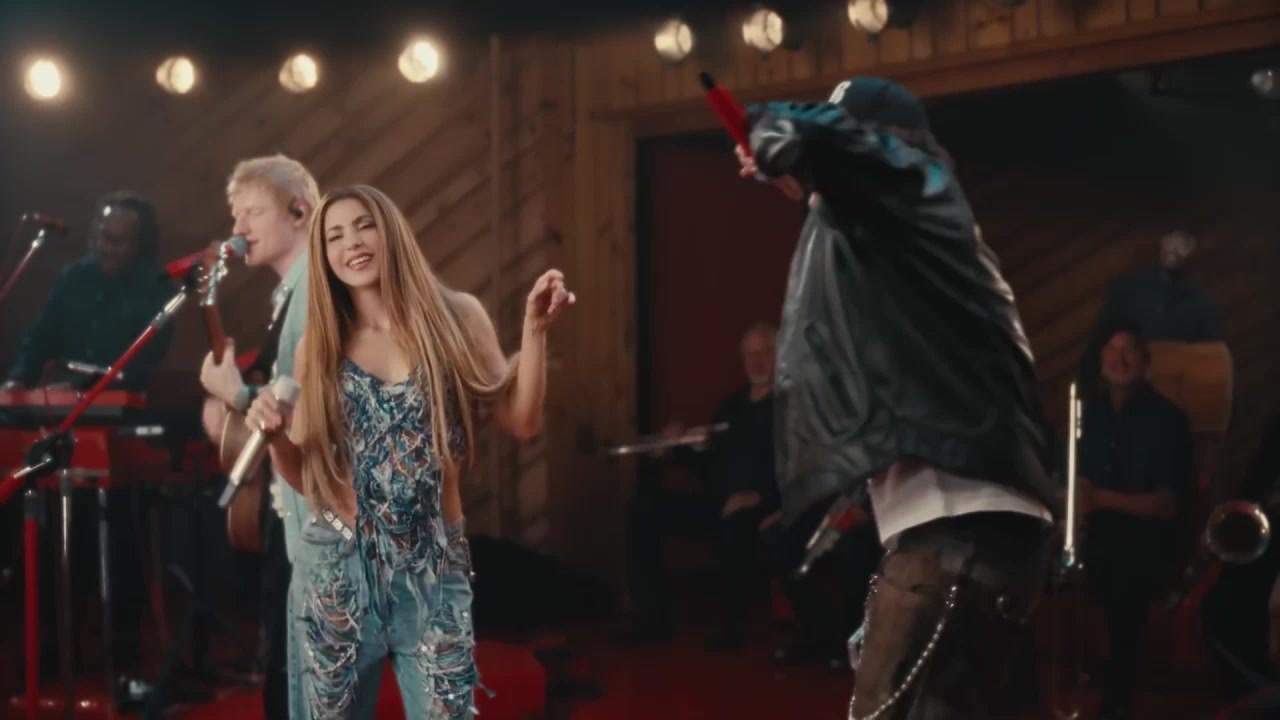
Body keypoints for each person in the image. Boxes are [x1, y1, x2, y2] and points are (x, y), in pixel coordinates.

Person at [736, 77, 1057, 718]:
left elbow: (855, 158)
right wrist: (806, 179)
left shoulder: (912, 186)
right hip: (982, 534)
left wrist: (779, 131)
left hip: (955, 531)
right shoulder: (918, 230)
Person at [245, 185, 573, 719]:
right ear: (324, 256)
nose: (352, 242)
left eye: (363, 225)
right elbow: (309, 480)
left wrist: (534, 331)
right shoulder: (319, 346)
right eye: (334, 236)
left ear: (391, 231)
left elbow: (522, 421)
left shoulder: (457, 317)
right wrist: (275, 436)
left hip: (434, 572)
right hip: (338, 571)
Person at [198, 153, 319, 720]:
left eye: (253, 213)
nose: (238, 228)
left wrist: (237, 396)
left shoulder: (314, 291)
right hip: (292, 506)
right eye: (235, 215)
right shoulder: (288, 294)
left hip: (312, 517)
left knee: (296, 680)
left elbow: (305, 409)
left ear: (299, 211)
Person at [620, 322, 781, 650]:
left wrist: (760, 496)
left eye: (764, 353)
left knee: (735, 527)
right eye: (749, 354)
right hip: (718, 501)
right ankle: (651, 617)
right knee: (643, 508)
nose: (756, 362)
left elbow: (800, 467)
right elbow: (710, 464)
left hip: (763, 506)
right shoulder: (732, 405)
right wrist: (674, 449)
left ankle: (731, 628)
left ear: (779, 356)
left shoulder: (790, 407)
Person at [1076, 323, 1194, 719]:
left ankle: (1118, 698)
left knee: (1123, 569)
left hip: (1146, 541)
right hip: (1094, 533)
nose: (1119, 358)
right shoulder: (1089, 414)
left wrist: (1099, 499)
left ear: (1145, 362)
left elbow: (1167, 506)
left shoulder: (1167, 419)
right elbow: (1072, 481)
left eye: (1128, 350)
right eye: (1111, 349)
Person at [4, 191, 174, 391]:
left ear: (139, 245)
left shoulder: (157, 288)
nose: (106, 247)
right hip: (60, 395)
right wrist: (19, 378)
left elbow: (142, 364)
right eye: (103, 236)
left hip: (118, 399)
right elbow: (40, 338)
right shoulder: (74, 276)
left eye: (118, 241)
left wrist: (77, 387)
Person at [1080, 230, 1224, 391]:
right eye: (1172, 240)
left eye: (1183, 244)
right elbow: (1100, 334)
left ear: (1193, 252)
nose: (1175, 249)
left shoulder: (1201, 304)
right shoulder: (1129, 288)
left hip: (1171, 389)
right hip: (1124, 387)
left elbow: (1211, 355)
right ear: (1162, 244)